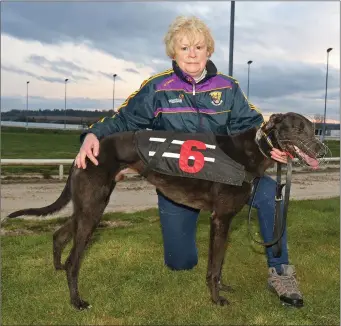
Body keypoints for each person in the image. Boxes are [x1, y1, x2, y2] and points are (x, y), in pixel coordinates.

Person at [75, 16, 303, 308]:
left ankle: (280, 270)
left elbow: (253, 126)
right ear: (174, 53)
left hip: (227, 178)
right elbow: (125, 119)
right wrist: (93, 134)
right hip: (179, 185)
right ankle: (193, 241)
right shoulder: (157, 88)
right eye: (184, 48)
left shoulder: (228, 88)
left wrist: (273, 146)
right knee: (180, 263)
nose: (192, 53)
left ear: (209, 50)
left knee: (271, 193)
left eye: (198, 46)